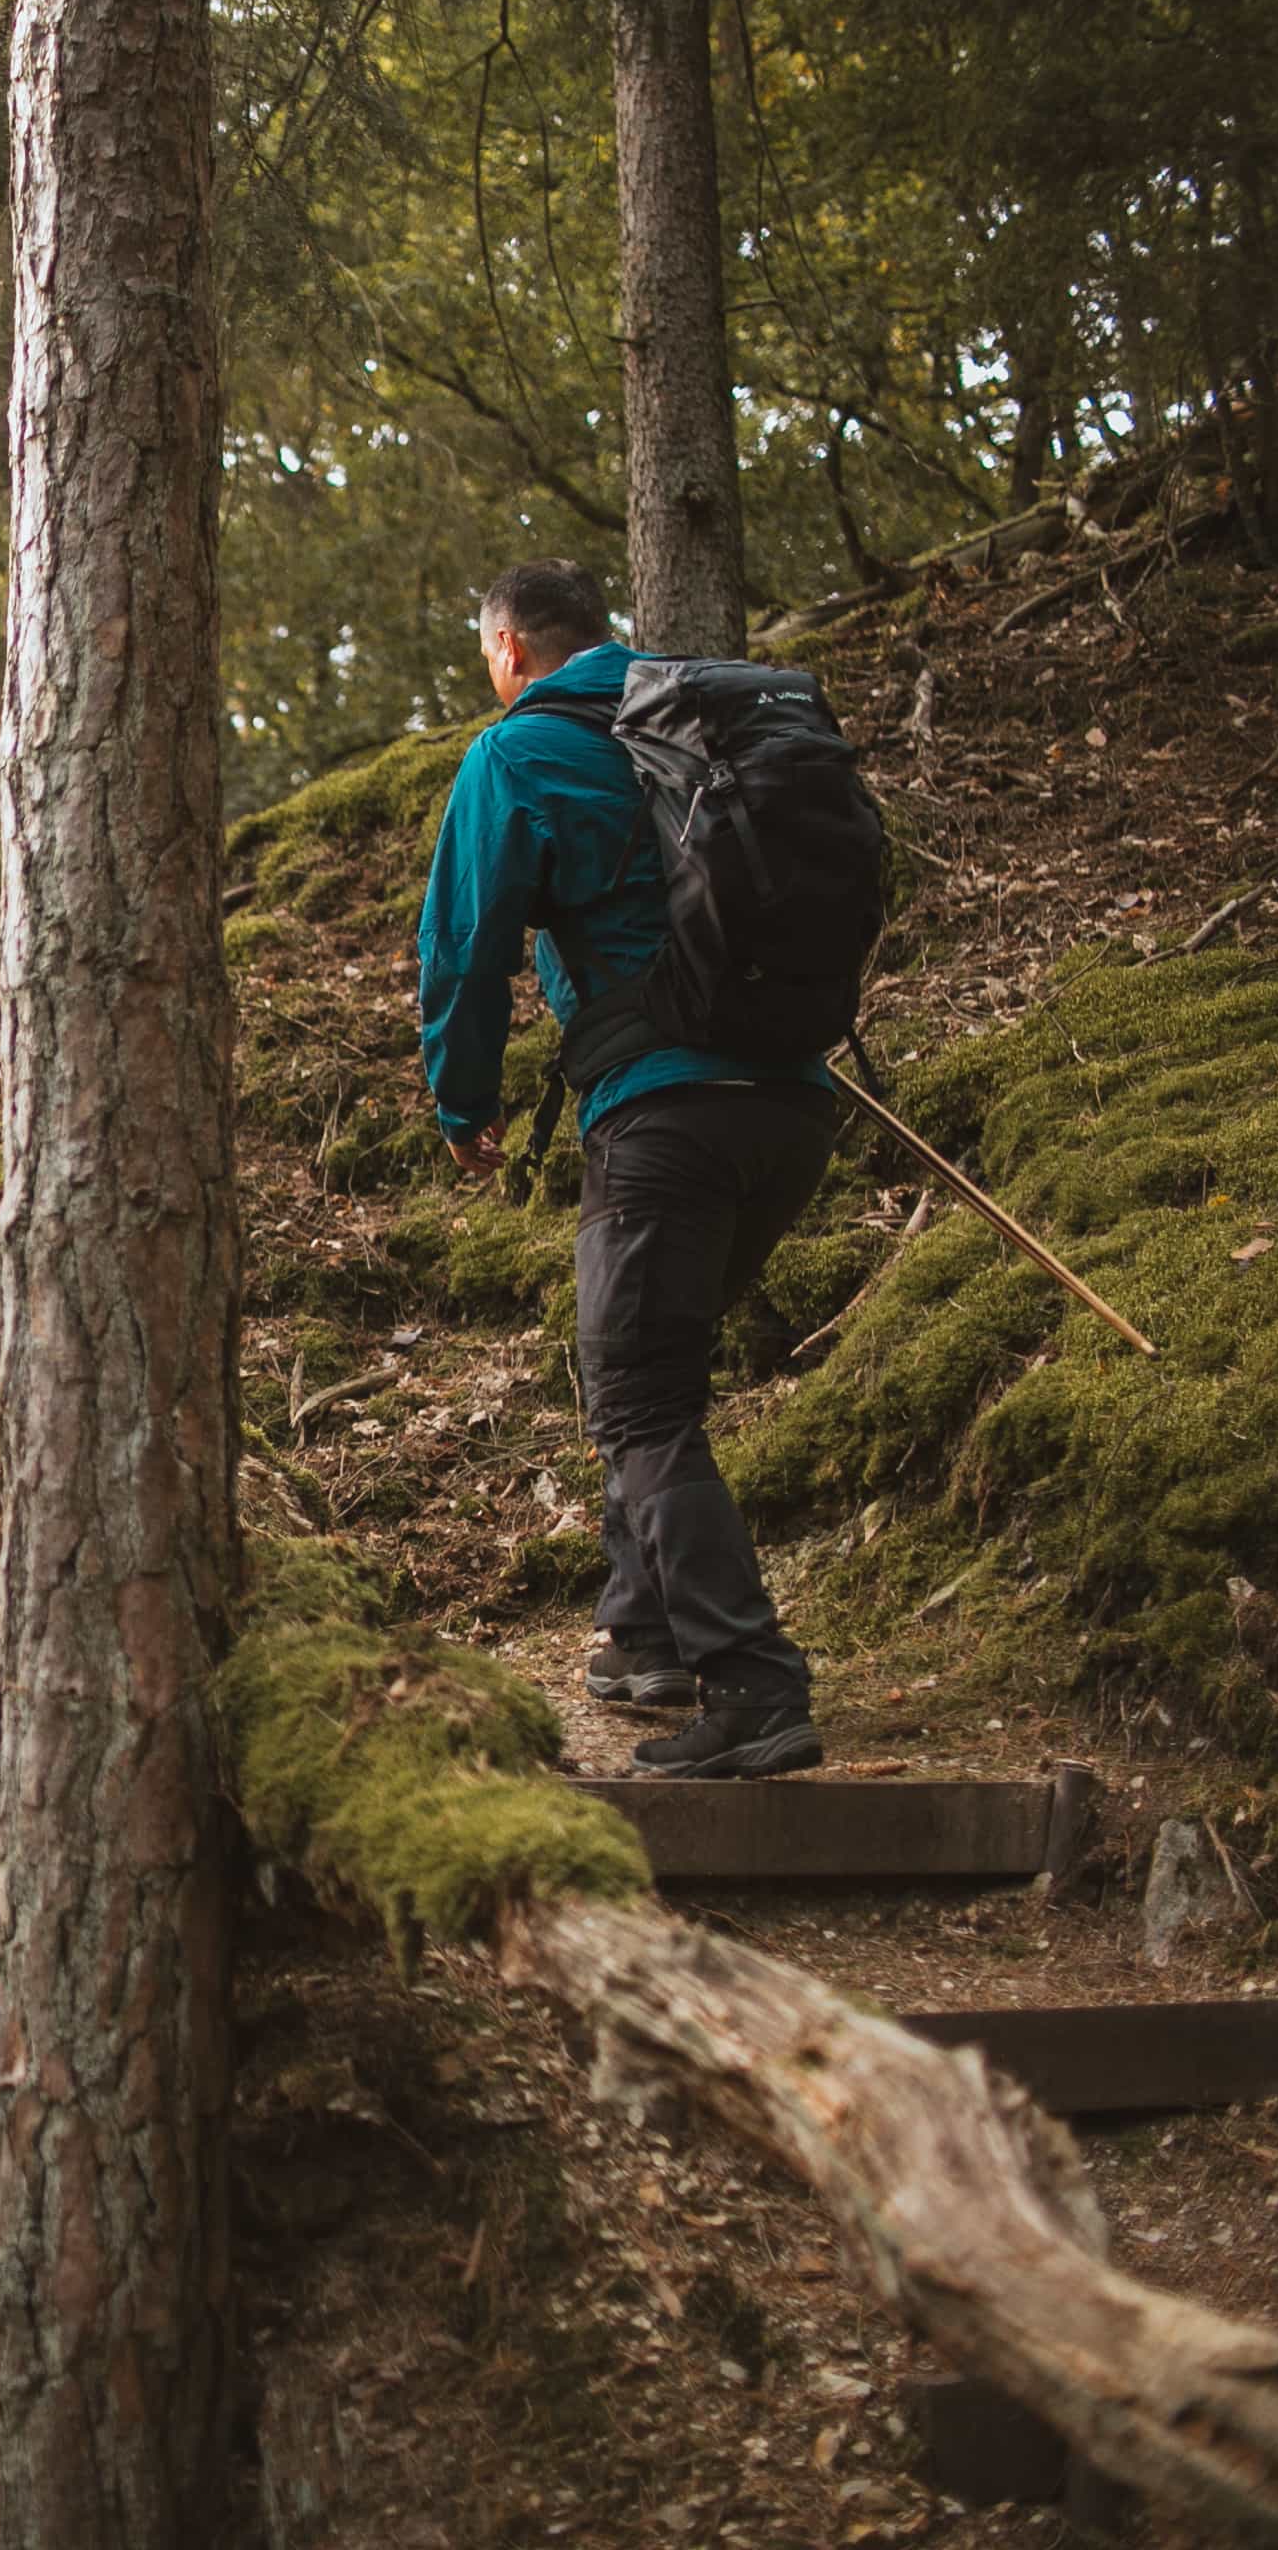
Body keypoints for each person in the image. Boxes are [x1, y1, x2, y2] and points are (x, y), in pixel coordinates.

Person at [418, 562, 840, 1778]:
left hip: (662, 1113)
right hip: (792, 1103)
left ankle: (754, 1687)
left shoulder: (519, 752)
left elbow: (465, 943)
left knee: (641, 1395)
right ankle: (642, 1631)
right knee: (651, 1374)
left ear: (507, 648)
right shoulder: (702, 721)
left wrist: (464, 1102)